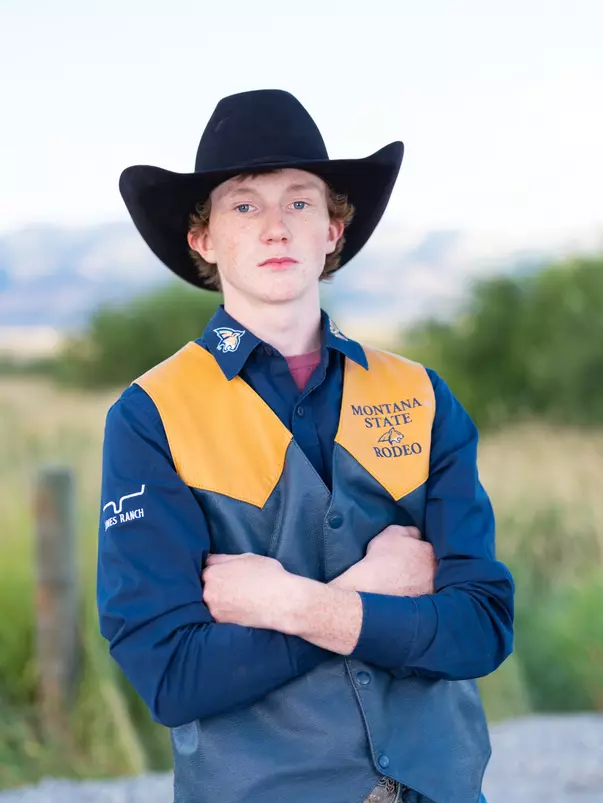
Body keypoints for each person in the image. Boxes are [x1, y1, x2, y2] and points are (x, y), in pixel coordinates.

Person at [97, 89, 514, 803]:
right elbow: (172, 675)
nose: (274, 228)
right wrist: (373, 591)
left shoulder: (421, 394)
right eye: (244, 205)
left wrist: (292, 604)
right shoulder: (151, 414)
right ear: (204, 240)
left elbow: (479, 628)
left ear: (332, 230)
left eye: (299, 202)